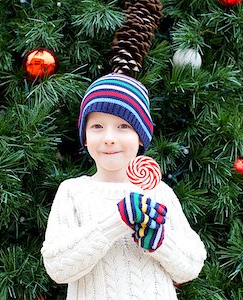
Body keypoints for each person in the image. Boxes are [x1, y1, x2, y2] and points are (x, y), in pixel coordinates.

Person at [41, 73, 207, 299]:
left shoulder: (158, 192)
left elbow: (191, 266)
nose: (109, 137)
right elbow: (57, 268)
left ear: (140, 136)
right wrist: (117, 220)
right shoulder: (73, 192)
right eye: (98, 126)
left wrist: (160, 242)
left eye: (123, 126)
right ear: (86, 137)